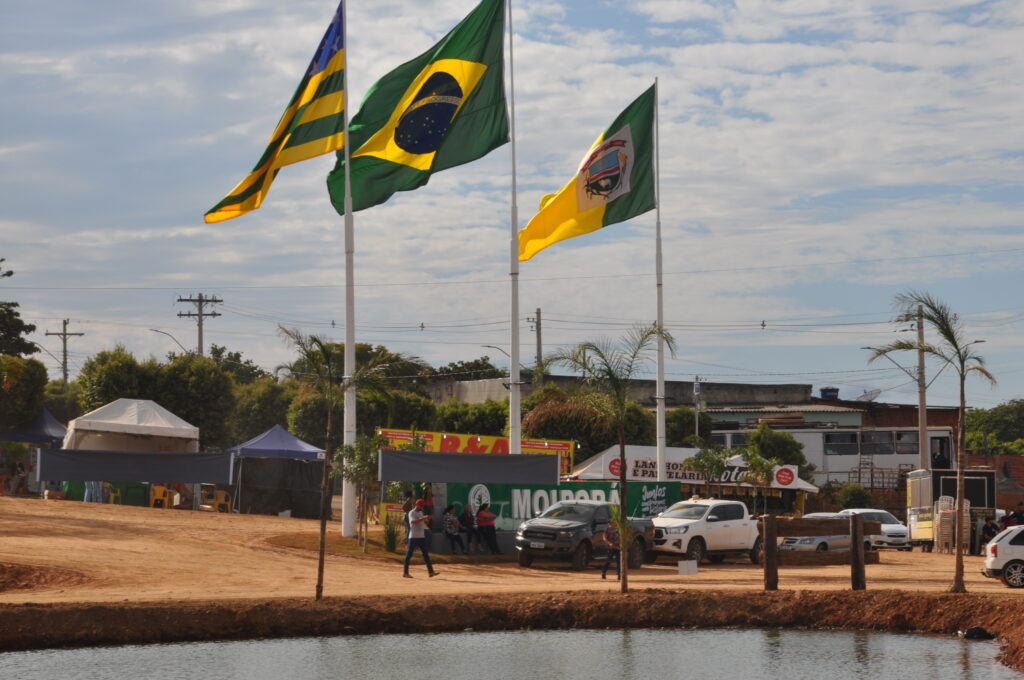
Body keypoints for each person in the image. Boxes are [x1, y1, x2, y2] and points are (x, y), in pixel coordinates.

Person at [403, 499, 439, 578]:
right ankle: (405, 573)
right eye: (421, 506)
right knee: (409, 555)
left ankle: (431, 572)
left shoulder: (420, 512)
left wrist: (426, 520)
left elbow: (421, 521)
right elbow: (413, 522)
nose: (422, 507)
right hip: (413, 537)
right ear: (417, 505)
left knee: (426, 555)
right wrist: (423, 518)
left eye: (423, 506)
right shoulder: (412, 512)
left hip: (421, 537)